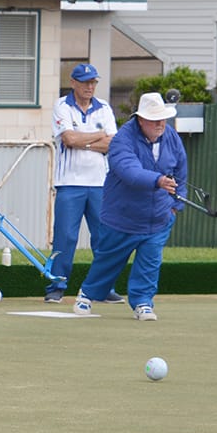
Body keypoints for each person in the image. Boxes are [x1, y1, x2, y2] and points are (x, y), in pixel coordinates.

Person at [73, 92, 187, 322]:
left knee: (150, 262)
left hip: (158, 218)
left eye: (162, 118)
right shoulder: (122, 140)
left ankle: (143, 302)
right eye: (154, 119)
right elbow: (129, 171)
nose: (160, 124)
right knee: (108, 260)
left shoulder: (171, 137)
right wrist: (157, 181)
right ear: (141, 120)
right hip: (122, 216)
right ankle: (87, 294)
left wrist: (175, 204)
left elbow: (181, 170)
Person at [46, 62, 124, 305]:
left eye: (93, 82)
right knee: (65, 237)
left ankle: (103, 287)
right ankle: (57, 286)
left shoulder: (104, 108)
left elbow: (113, 143)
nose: (90, 87)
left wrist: (85, 141)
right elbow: (68, 138)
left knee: (104, 237)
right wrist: (98, 136)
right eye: (85, 82)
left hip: (101, 183)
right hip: (69, 182)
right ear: (73, 83)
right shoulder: (62, 105)